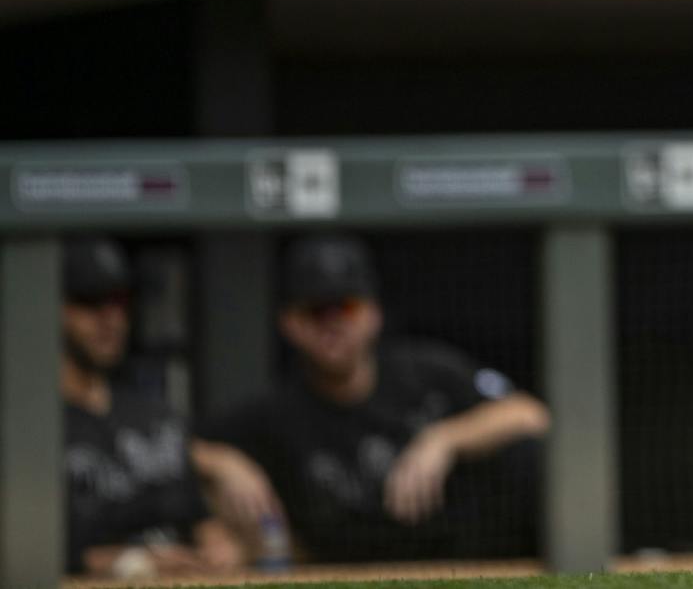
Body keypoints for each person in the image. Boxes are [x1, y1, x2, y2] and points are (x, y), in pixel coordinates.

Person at [199, 234, 550, 563]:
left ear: (374, 314)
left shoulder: (426, 371)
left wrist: (442, 439)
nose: (332, 325)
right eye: (315, 312)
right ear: (290, 323)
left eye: (346, 308)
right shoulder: (274, 411)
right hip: (345, 568)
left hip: (455, 557)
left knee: (529, 457)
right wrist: (224, 463)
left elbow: (530, 414)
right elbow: (184, 447)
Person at [60, 237, 248, 577]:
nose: (111, 319)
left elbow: (199, 517)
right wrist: (124, 564)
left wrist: (220, 545)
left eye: (119, 303)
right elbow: (19, 550)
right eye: (91, 302)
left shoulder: (154, 414)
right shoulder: (26, 426)